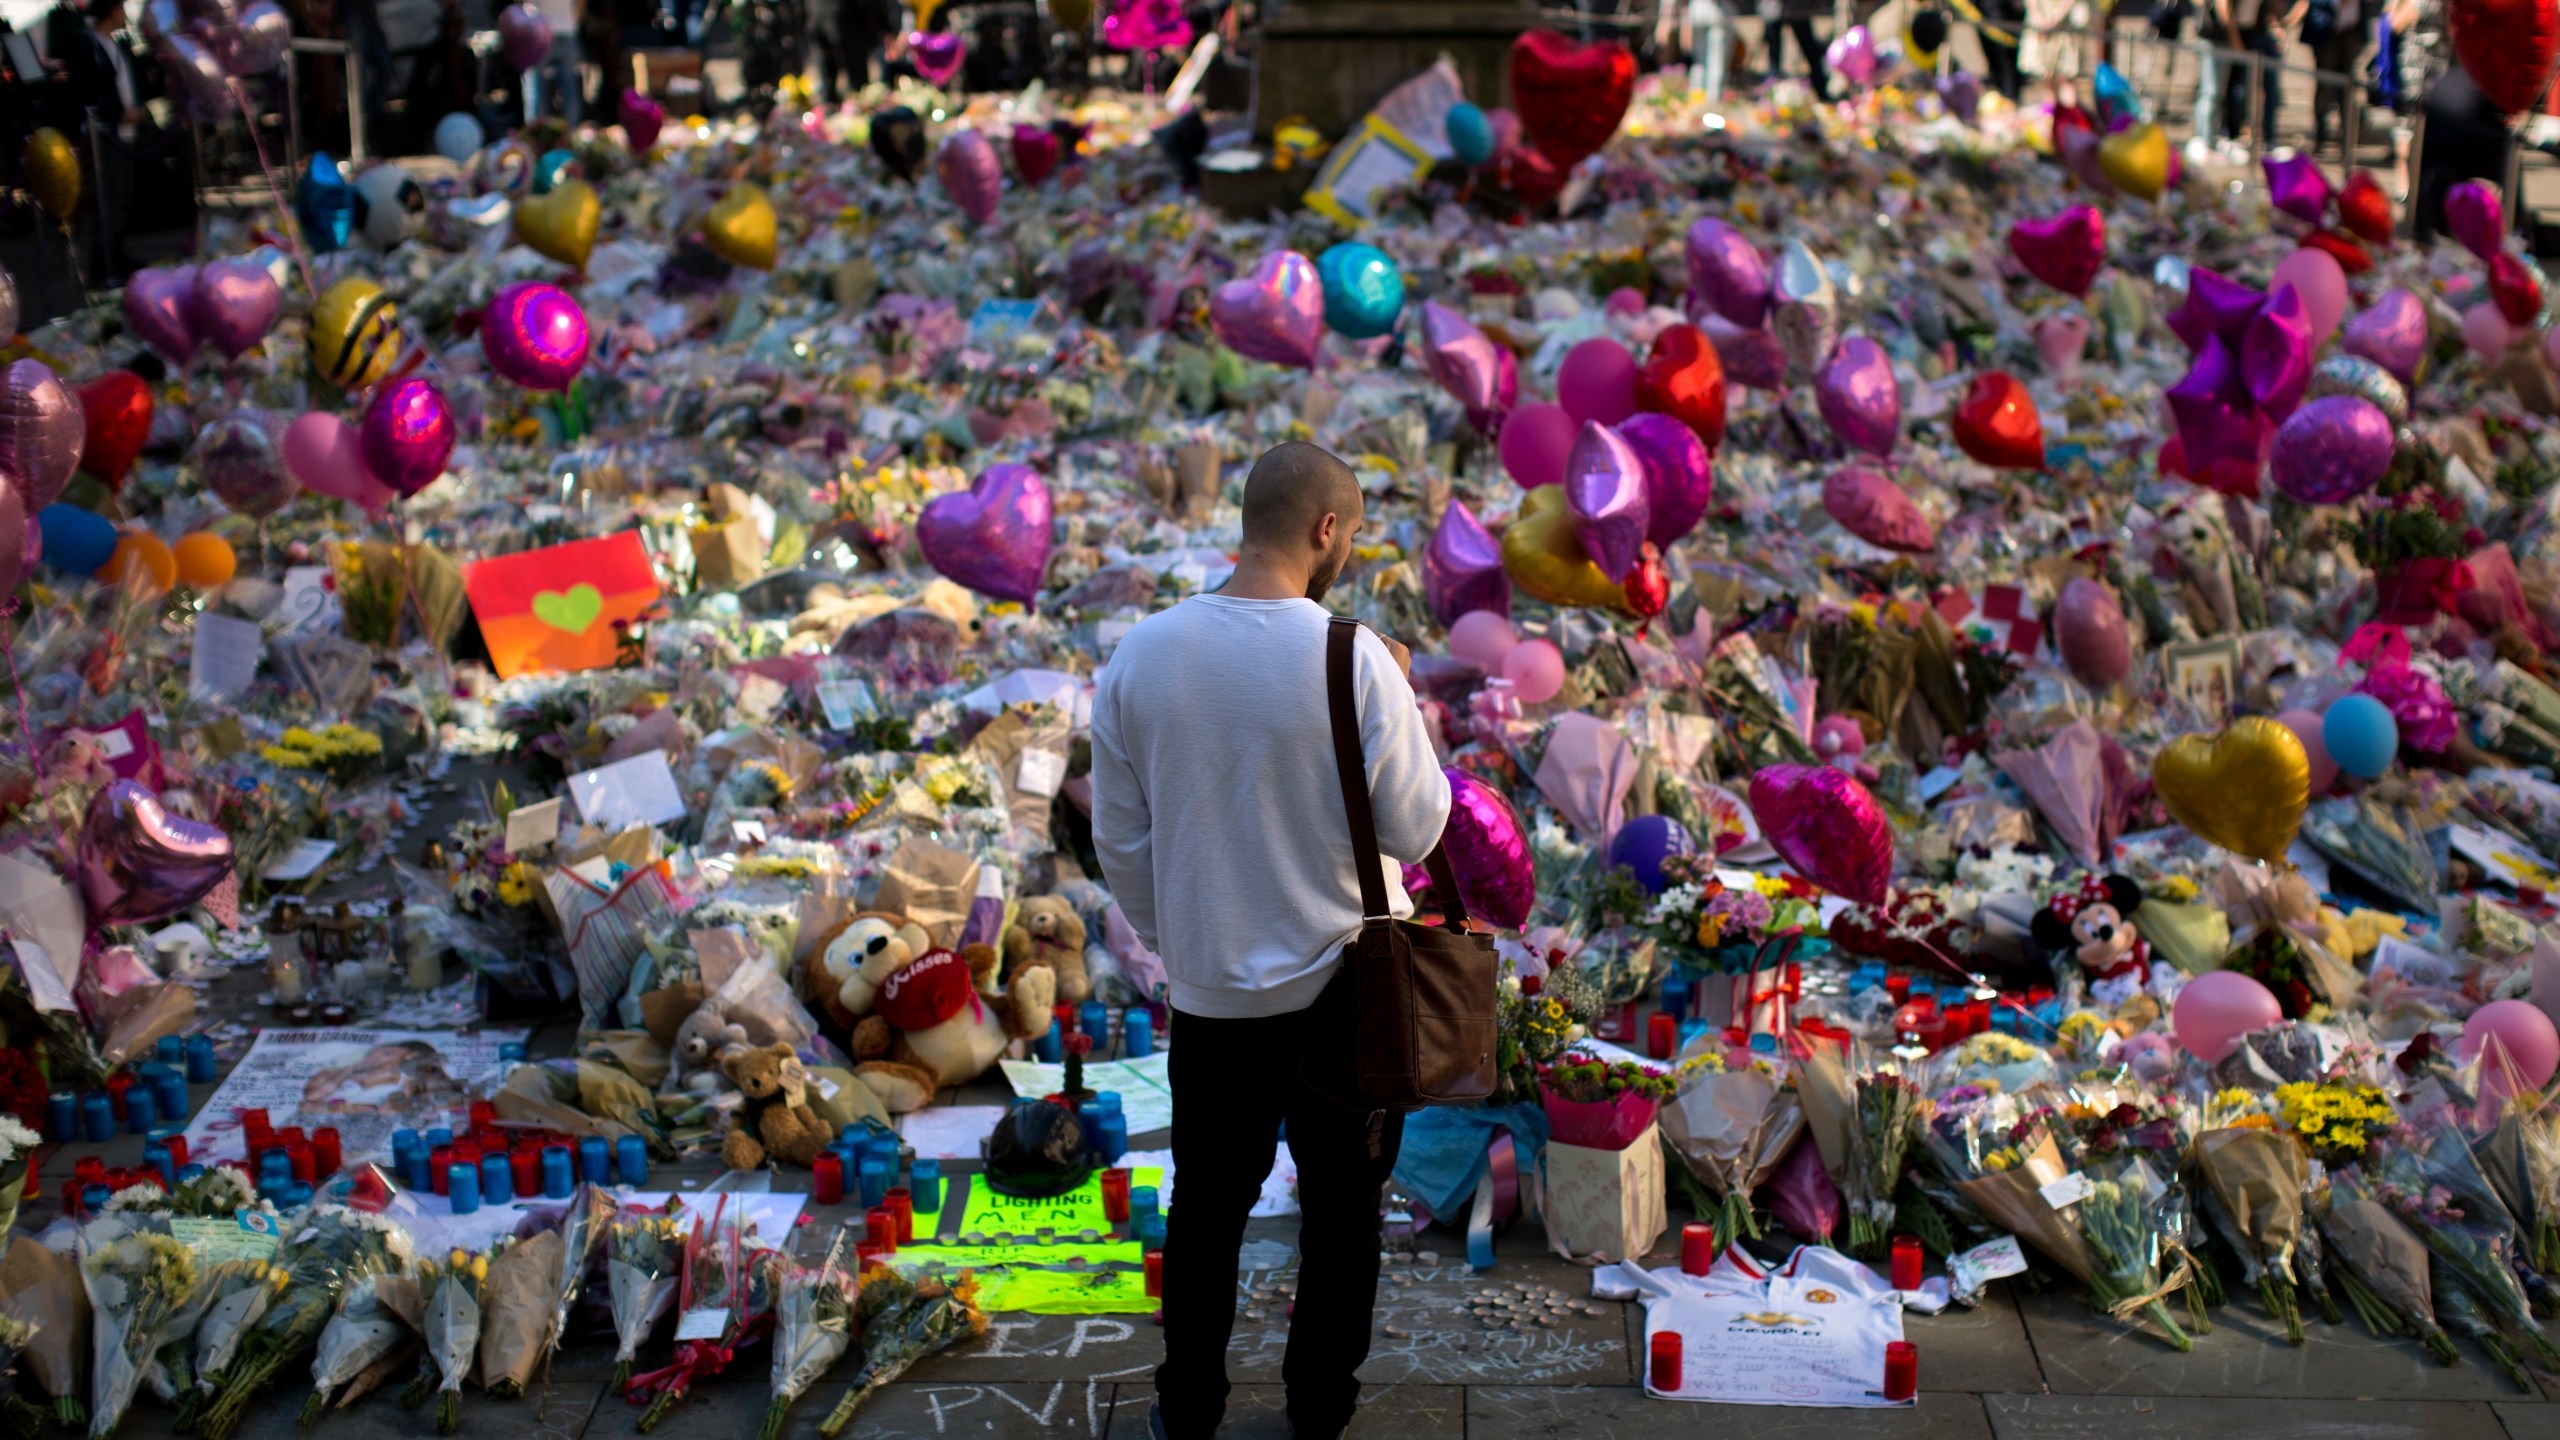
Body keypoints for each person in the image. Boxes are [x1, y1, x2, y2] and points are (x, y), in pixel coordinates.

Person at [1089, 442, 1451, 1440]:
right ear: (1326, 530)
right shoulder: (1355, 658)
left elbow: (1119, 841)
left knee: (1207, 1212)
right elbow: (1418, 831)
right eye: (1352, 535)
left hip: (1212, 998)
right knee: (1342, 1213)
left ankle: (1188, 1407)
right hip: (1345, 993)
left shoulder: (1142, 655)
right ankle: (1318, 1407)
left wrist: (1185, 938)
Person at [525, 0, 582, 124]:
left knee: (535, 85)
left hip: (540, 31)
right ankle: (570, 132)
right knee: (569, 86)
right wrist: (574, 22)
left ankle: (534, 133)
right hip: (567, 30)